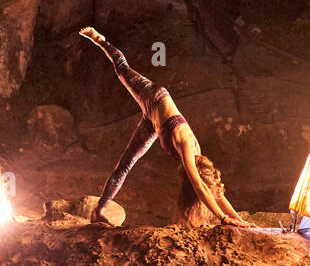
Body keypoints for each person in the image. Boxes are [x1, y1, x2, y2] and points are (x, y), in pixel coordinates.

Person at [79, 25, 246, 228]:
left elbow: (215, 191)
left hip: (153, 124)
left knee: (126, 163)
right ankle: (100, 39)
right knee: (122, 69)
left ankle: (99, 210)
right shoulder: (185, 145)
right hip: (155, 97)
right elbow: (200, 186)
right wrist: (223, 218)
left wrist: (239, 220)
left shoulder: (196, 156)